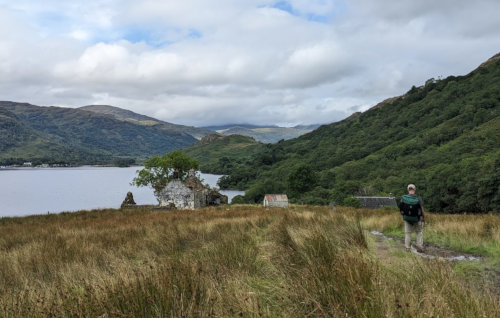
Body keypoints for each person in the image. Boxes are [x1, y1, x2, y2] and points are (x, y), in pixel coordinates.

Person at [399, 184, 425, 252]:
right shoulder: (418, 198)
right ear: (415, 189)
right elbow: (422, 209)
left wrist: (404, 215)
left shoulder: (404, 198)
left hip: (407, 218)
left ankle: (407, 248)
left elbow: (400, 208)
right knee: (419, 232)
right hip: (417, 218)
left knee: (408, 233)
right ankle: (419, 247)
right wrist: (423, 218)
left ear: (408, 189)